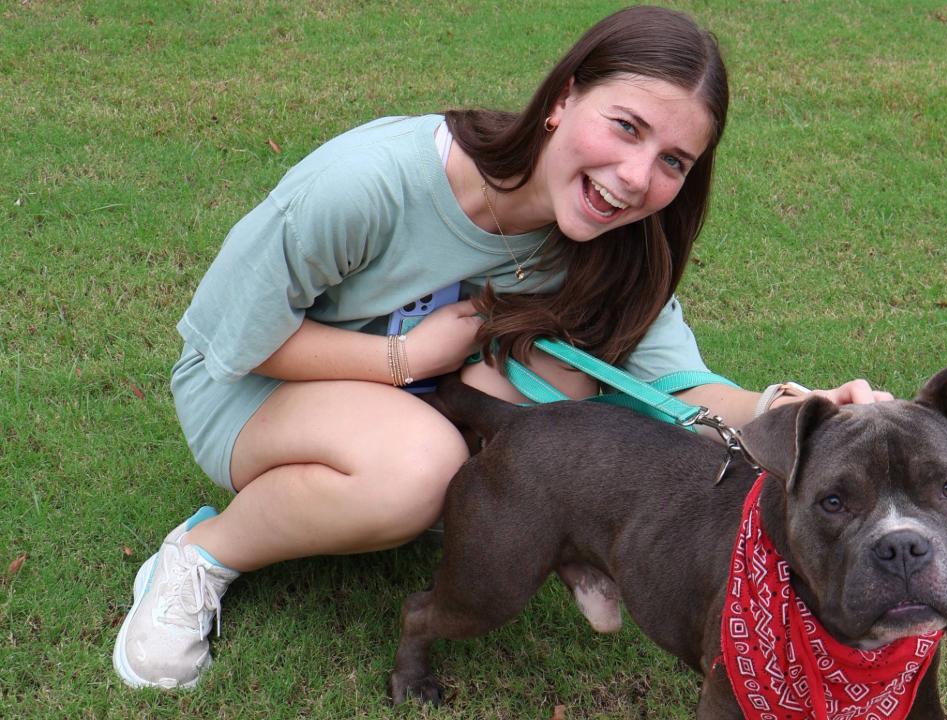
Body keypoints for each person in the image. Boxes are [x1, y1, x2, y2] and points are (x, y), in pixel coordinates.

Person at [111, 5, 892, 690]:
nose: (633, 177)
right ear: (562, 98)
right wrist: (404, 360)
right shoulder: (371, 183)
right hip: (253, 394)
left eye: (672, 162)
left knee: (560, 379)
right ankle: (204, 554)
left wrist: (800, 412)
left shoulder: (619, 248)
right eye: (626, 127)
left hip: (413, 404)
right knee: (419, 466)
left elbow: (682, 393)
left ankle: (413, 489)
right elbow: (233, 341)